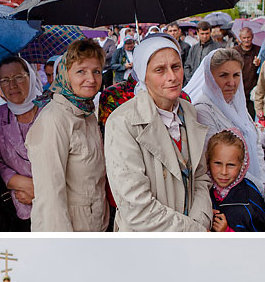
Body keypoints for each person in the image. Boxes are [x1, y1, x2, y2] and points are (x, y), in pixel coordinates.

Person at [104, 34, 212, 233]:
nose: (171, 77)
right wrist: (192, 231)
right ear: (143, 75)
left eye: (176, 66)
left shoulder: (188, 112)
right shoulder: (123, 122)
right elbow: (136, 207)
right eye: (159, 70)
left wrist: (200, 220)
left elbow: (200, 177)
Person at [27, 40, 109, 233]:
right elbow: (50, 195)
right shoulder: (54, 119)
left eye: (96, 71)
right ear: (65, 74)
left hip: (94, 227)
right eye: (81, 71)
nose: (91, 78)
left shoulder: (86, 112)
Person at [186, 42, 265, 192]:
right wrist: (259, 188)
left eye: (236, 75)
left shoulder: (237, 106)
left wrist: (262, 181)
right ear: (210, 77)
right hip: (231, 194)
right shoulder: (203, 111)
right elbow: (218, 162)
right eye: (223, 75)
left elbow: (255, 145)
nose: (231, 83)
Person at [0, 57, 45, 223]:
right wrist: (21, 183)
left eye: (18, 77)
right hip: (18, 203)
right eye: (5, 80)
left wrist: (40, 190)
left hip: (56, 200)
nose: (12, 85)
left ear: (30, 76)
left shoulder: (49, 109)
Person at [207, 129, 265, 232]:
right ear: (208, 161)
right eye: (218, 163)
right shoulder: (203, 191)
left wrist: (227, 232)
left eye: (231, 165)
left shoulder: (250, 201)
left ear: (243, 165)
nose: (224, 172)